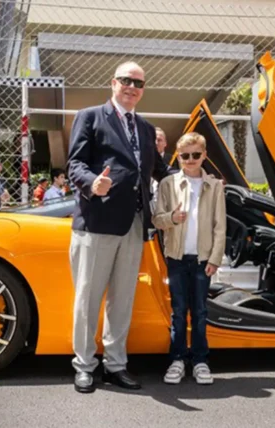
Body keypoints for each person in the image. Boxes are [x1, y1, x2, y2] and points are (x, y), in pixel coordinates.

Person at [67, 61, 171, 393]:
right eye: (126, 80)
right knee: (88, 298)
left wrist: (200, 182)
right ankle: (84, 365)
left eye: (138, 83)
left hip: (134, 224)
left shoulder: (145, 128)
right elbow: (74, 163)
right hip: (97, 222)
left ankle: (115, 365)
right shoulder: (91, 116)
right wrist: (91, 182)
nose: (131, 87)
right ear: (113, 82)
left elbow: (160, 172)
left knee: (122, 299)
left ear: (143, 90)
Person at [152, 132, 226, 385]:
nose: (191, 160)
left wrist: (215, 258)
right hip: (176, 256)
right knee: (178, 311)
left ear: (204, 155)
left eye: (196, 155)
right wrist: (172, 218)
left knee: (200, 311)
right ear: (178, 157)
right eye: (185, 156)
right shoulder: (167, 184)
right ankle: (177, 360)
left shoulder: (215, 186)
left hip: (203, 259)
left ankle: (200, 361)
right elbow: (157, 219)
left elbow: (220, 226)